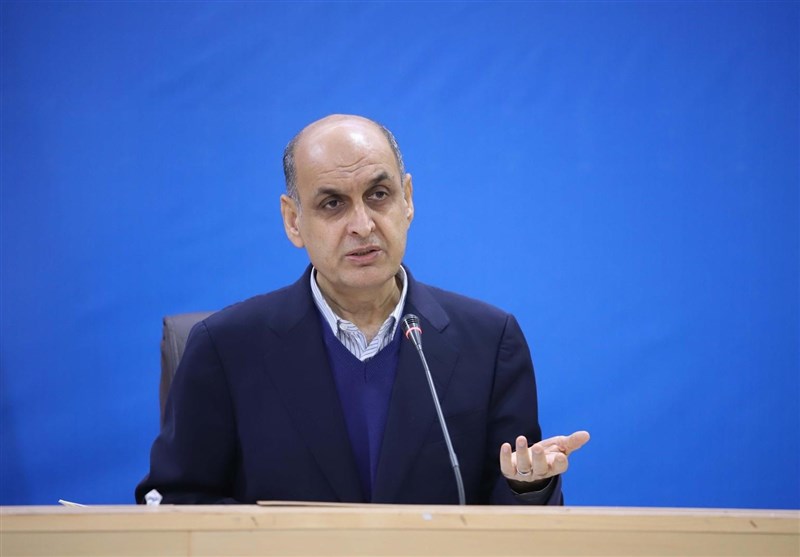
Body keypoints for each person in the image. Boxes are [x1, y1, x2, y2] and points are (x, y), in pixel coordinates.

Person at [136, 114, 589, 505]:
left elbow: (510, 517)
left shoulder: (489, 342)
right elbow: (177, 501)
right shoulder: (225, 348)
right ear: (293, 221)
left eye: (379, 195)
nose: (362, 224)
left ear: (407, 199)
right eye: (333, 203)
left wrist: (527, 487)